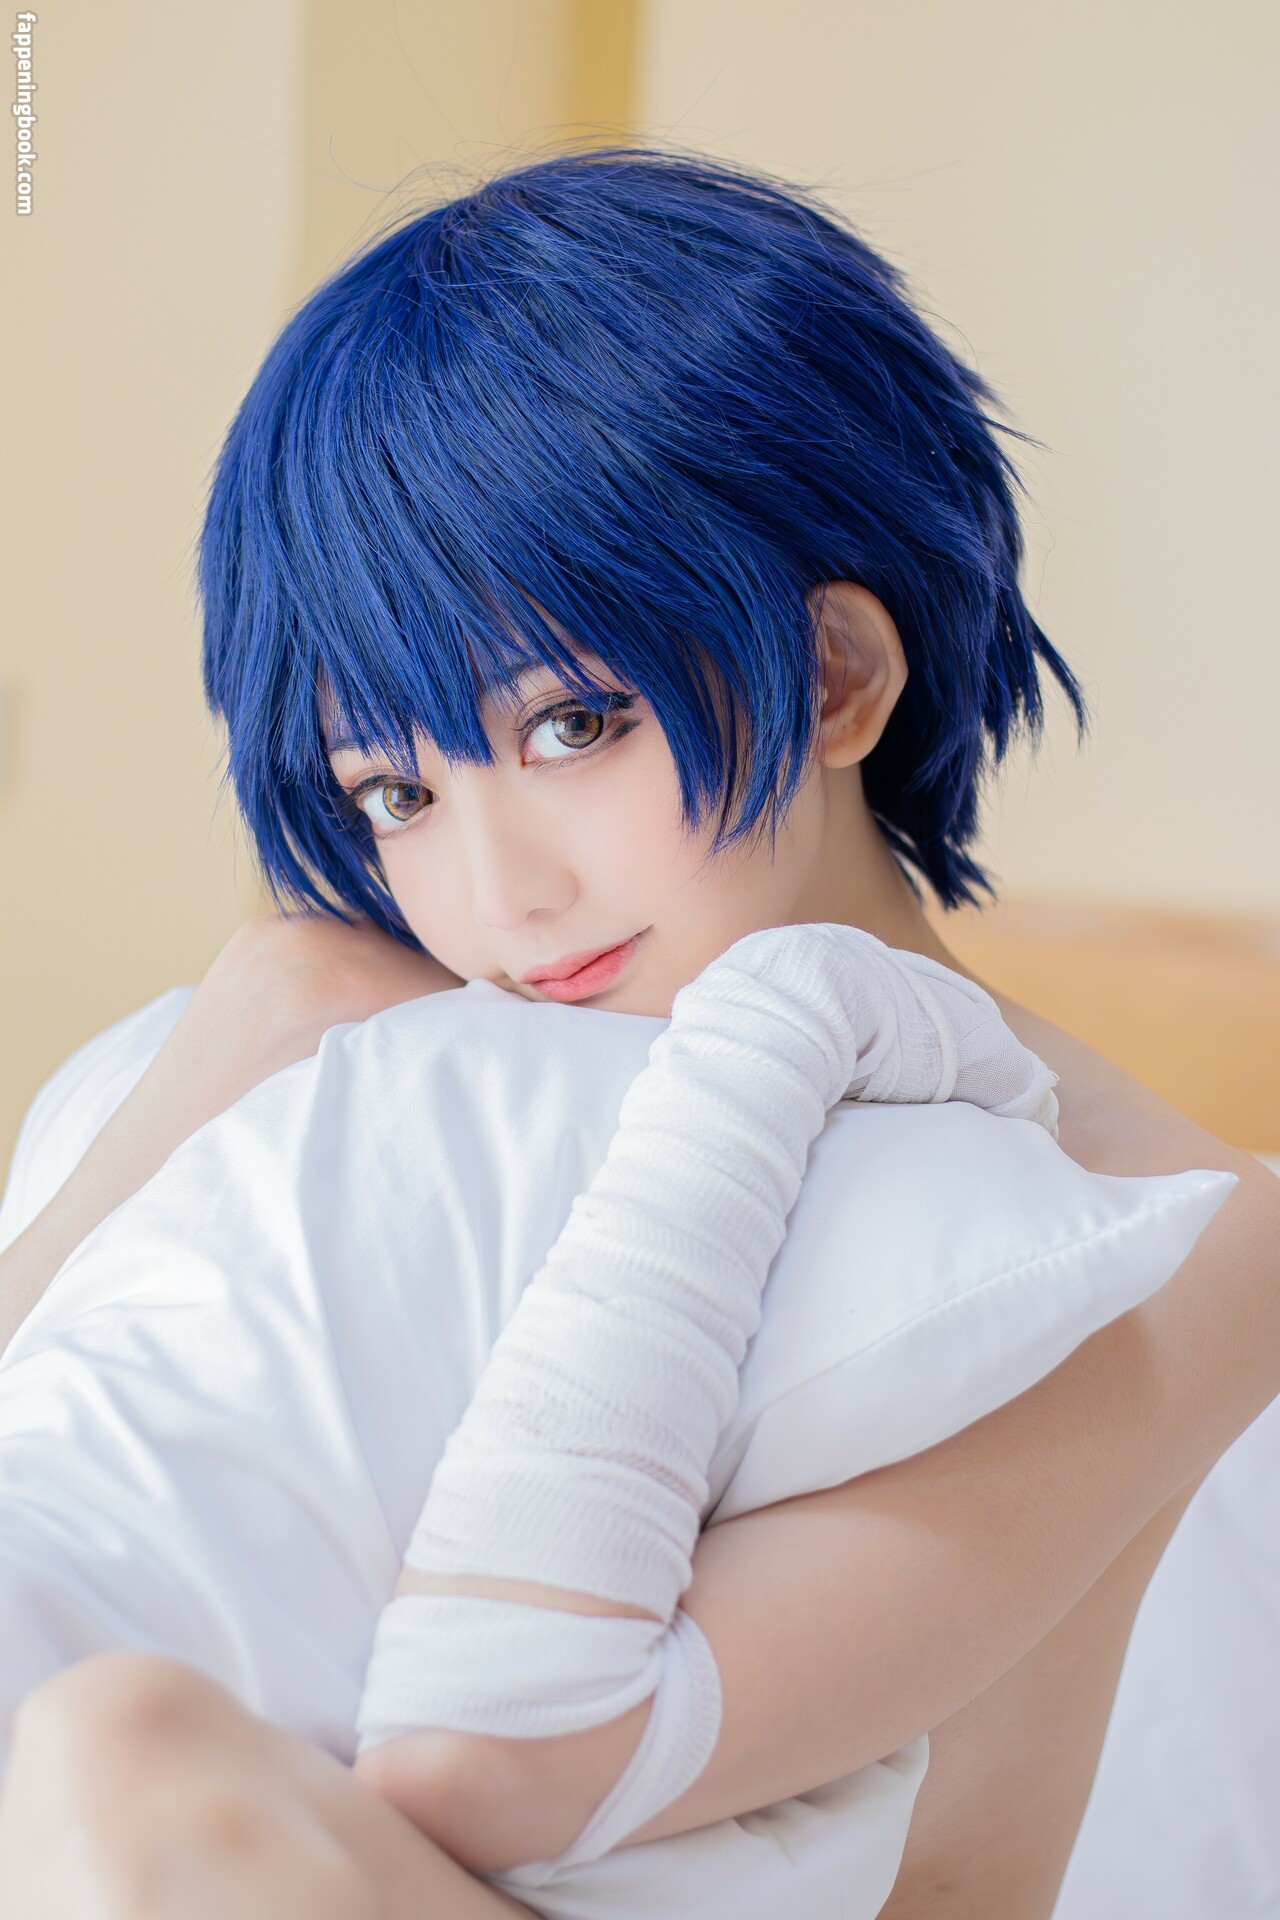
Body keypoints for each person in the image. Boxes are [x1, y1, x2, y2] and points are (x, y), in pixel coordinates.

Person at [0, 147, 1276, 1918]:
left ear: (837, 675)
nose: (499, 898)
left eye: (574, 725)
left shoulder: (1188, 1227)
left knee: (119, 1772)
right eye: (395, 791)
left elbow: (507, 1762)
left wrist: (768, 1049)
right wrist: (233, 1038)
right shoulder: (405, 1058)